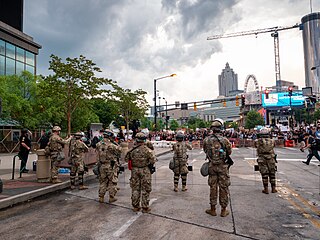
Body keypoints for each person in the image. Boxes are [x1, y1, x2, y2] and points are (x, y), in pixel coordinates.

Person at [203, 119, 232, 217]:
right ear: (221, 129)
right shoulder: (225, 140)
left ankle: (213, 209)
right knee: (223, 187)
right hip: (223, 166)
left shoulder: (206, 140)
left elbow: (205, 150)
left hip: (212, 166)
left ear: (212, 129)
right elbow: (229, 152)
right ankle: (223, 210)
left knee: (213, 187)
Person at [125, 132, 156, 213]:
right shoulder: (148, 150)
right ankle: (145, 207)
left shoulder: (132, 150)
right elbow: (153, 160)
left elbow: (126, 159)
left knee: (135, 189)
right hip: (145, 170)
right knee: (145, 189)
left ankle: (135, 206)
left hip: (135, 171)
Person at [96, 129, 122, 203]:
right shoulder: (112, 145)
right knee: (112, 182)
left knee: (103, 181)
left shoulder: (98, 144)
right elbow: (120, 150)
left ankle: (101, 197)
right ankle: (111, 197)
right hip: (111, 166)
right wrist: (116, 143)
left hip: (102, 165)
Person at [254, 128, 277, 194]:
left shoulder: (257, 141)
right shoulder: (272, 141)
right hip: (271, 158)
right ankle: (273, 188)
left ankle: (266, 189)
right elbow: (273, 147)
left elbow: (256, 146)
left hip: (262, 158)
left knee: (264, 174)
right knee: (272, 173)